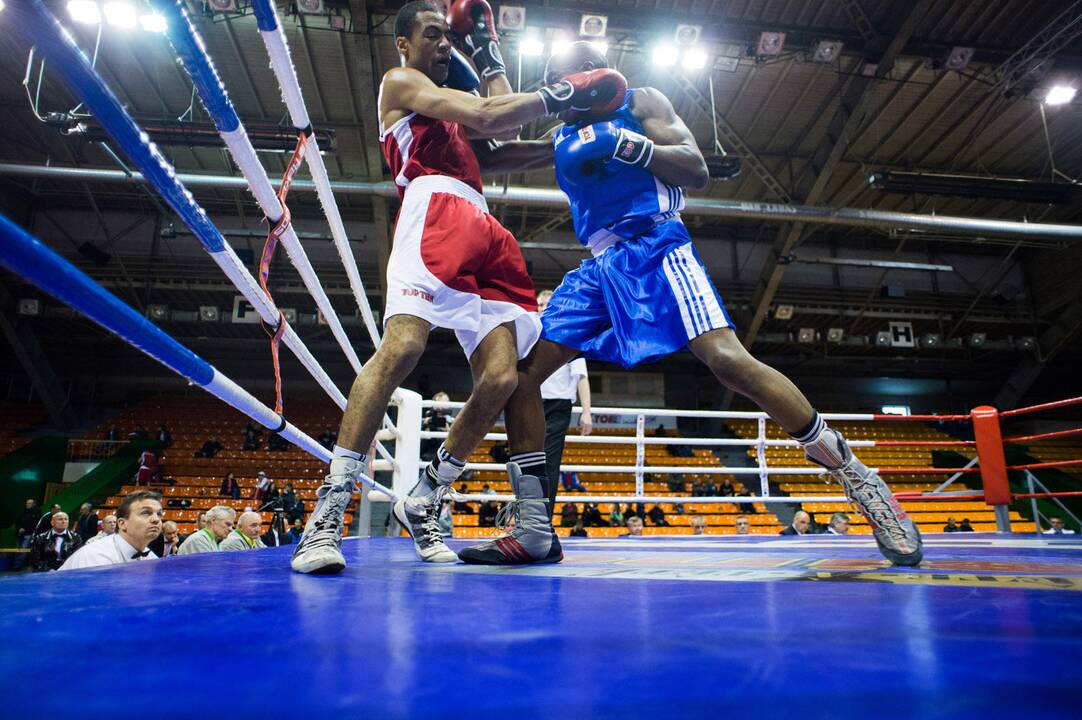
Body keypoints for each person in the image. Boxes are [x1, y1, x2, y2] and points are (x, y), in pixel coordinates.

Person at [456, 41, 921, 567]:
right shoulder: (562, 133)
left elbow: (697, 168)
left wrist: (628, 147)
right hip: (600, 264)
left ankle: (860, 479)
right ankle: (535, 528)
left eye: (554, 73)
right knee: (520, 377)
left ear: (591, 73)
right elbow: (490, 153)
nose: (549, 82)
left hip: (657, 244)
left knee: (728, 362)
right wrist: (469, 78)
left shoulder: (644, 101)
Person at [290, 0, 629, 574]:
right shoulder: (402, 83)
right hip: (433, 210)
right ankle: (326, 516)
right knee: (403, 348)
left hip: (485, 229)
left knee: (505, 378)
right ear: (403, 43)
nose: (444, 44)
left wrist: (581, 136)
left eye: (449, 36)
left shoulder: (458, 107)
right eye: (432, 34)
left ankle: (433, 494)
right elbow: (496, 116)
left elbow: (506, 136)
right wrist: (562, 94)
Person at [536, 289, 593, 516]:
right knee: (524, 460)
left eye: (547, 304)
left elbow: (582, 376)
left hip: (558, 404)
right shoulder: (529, 332)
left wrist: (586, 411)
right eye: (539, 304)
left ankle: (543, 519)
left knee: (549, 462)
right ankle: (525, 518)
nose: (542, 308)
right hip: (529, 401)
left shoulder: (571, 332)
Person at [60, 491, 163, 570]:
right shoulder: (97, 557)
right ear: (122, 524)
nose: (156, 519)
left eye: (159, 514)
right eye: (146, 513)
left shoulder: (150, 557)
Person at [420, 391, 455, 461]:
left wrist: (449, 432)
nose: (444, 405)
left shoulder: (451, 420)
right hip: (429, 456)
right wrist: (425, 426)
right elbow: (420, 448)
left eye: (447, 402)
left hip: (445, 457)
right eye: (441, 402)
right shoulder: (428, 419)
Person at [13, 498, 40, 571]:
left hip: (28, 534)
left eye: (30, 503)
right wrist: (19, 528)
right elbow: (17, 522)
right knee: (17, 550)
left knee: (23, 551)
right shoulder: (22, 512)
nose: (28, 505)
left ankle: (17, 567)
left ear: (34, 504)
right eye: (27, 503)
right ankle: (16, 566)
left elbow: (35, 524)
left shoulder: (37, 512)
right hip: (20, 534)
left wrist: (25, 529)